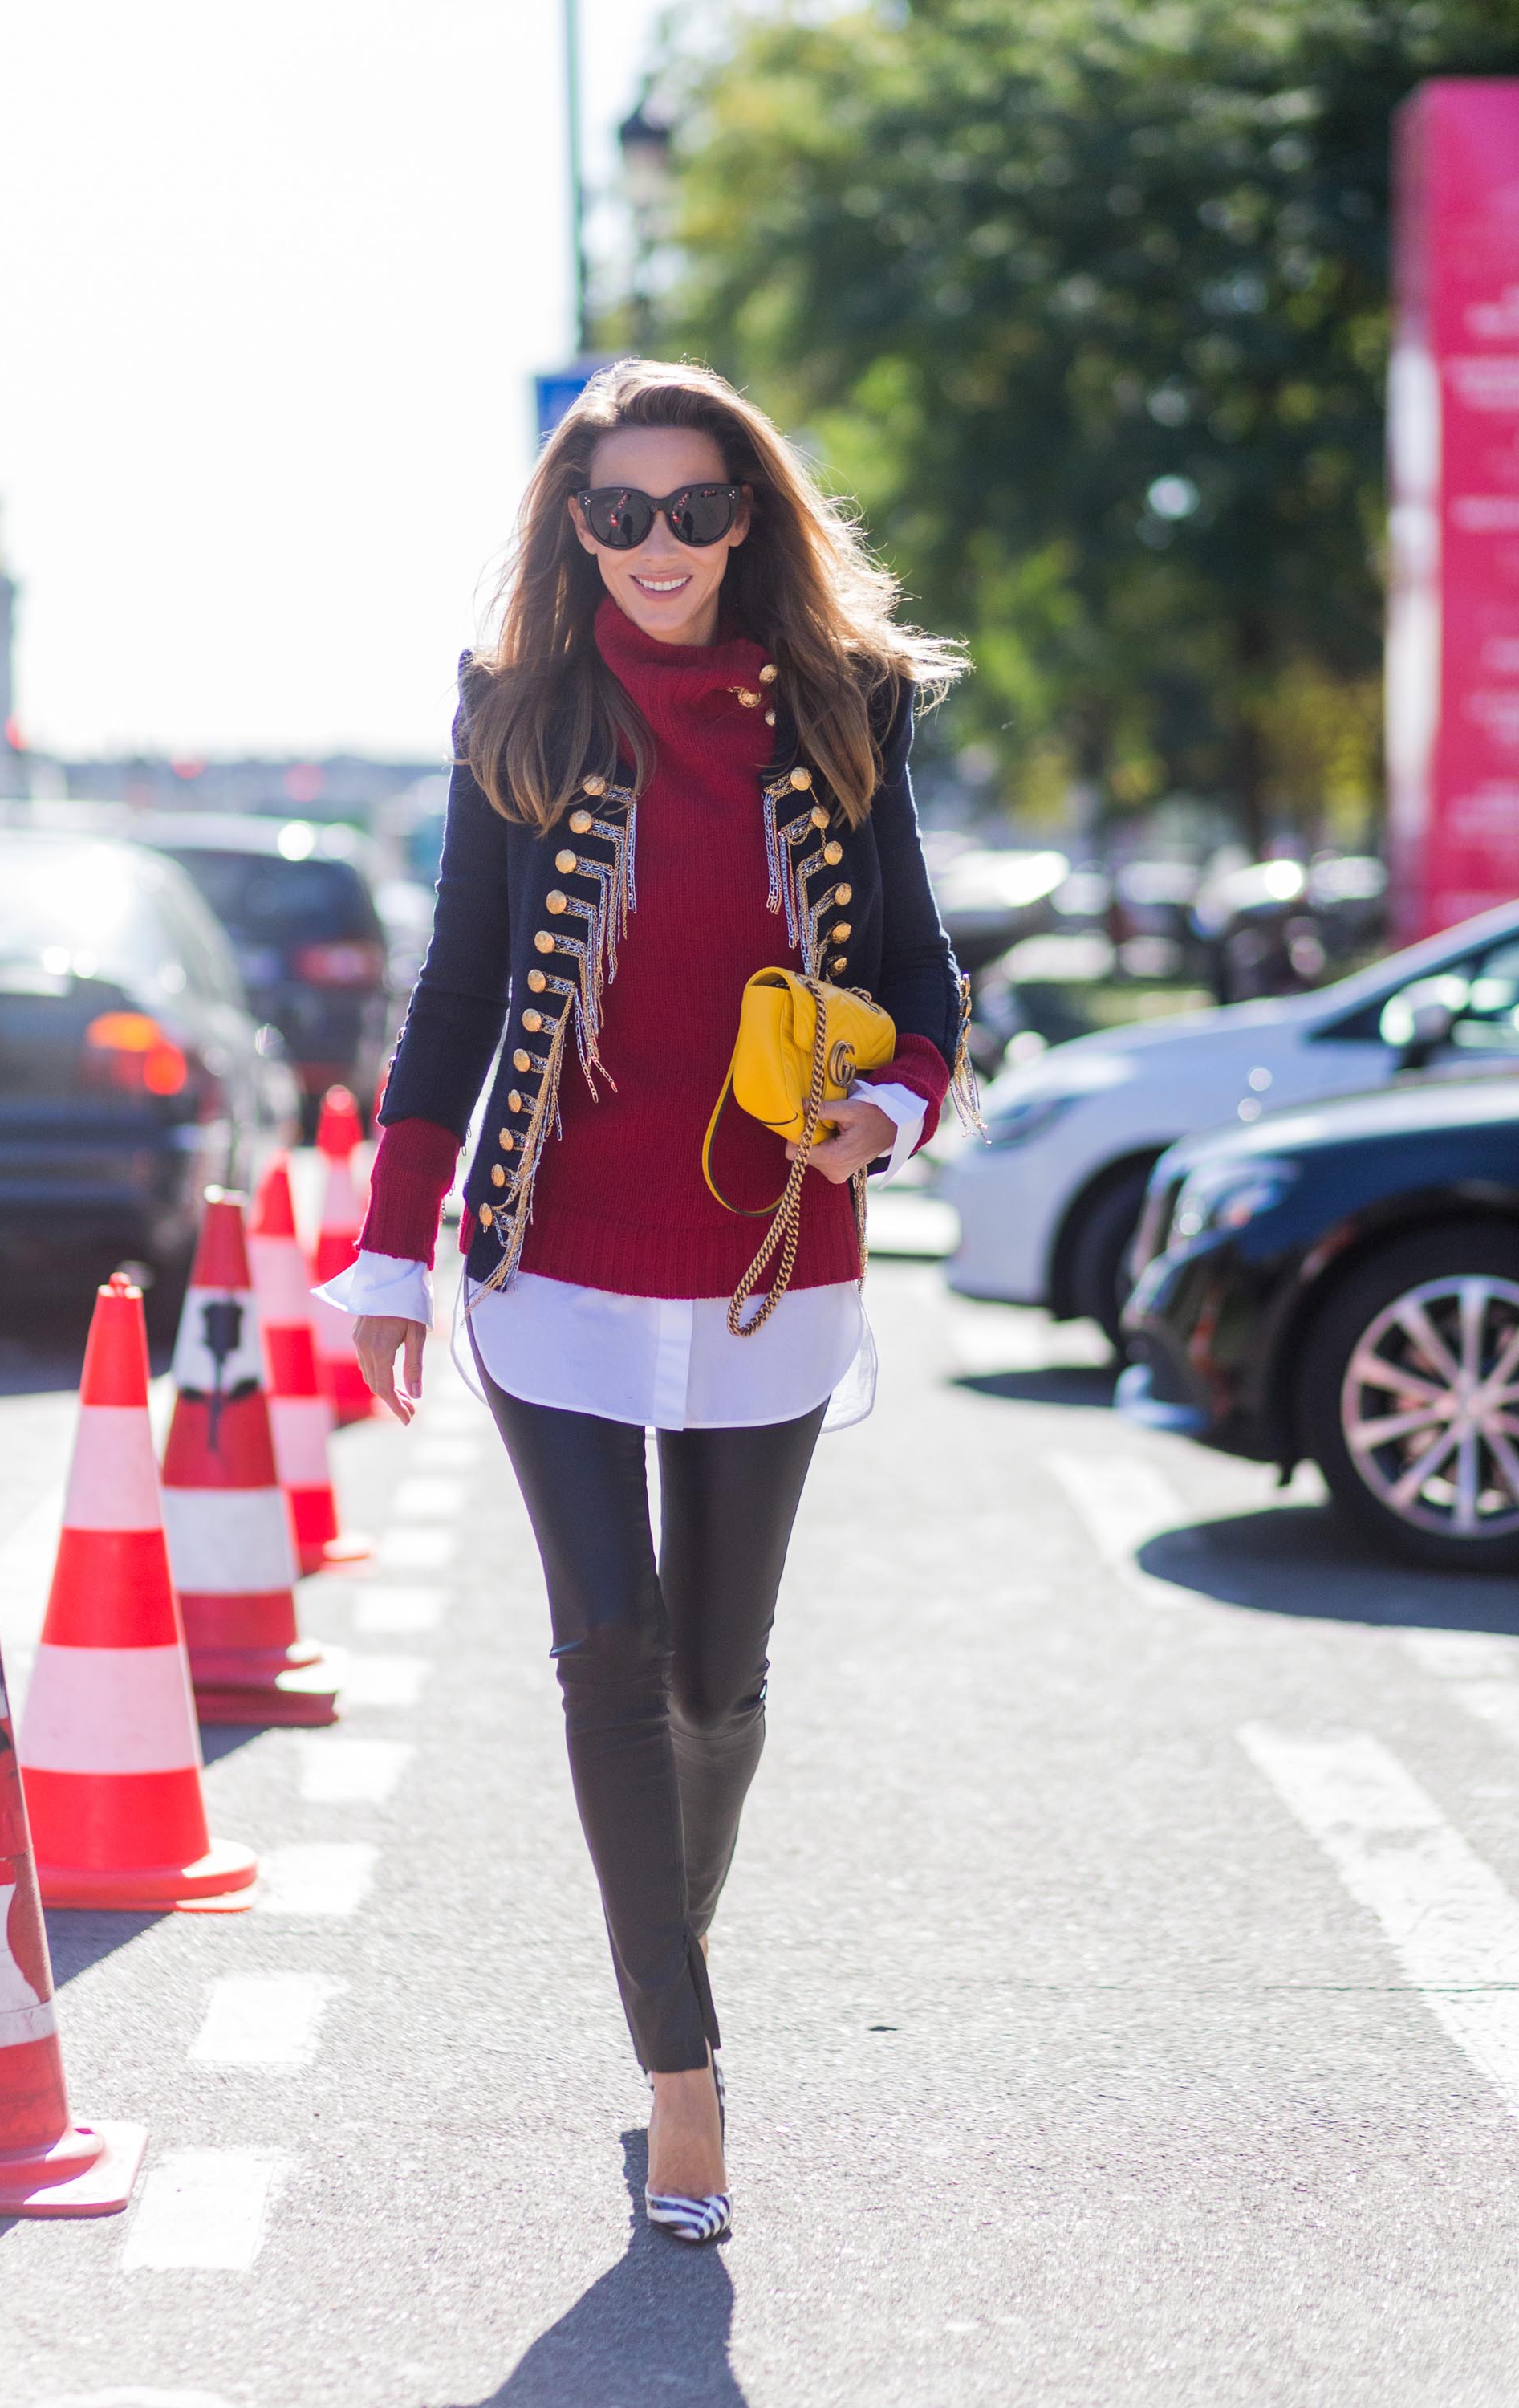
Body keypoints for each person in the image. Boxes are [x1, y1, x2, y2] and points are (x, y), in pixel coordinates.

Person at [319, 359, 973, 2245]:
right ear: (572, 525)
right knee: (606, 1656)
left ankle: (657, 1946)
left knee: (714, 1682)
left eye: (696, 510)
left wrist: (893, 1105)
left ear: (747, 518)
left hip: (773, 1253)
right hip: (553, 1255)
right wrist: (388, 1247)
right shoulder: (511, 716)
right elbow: (453, 997)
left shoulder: (846, 713)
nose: (658, 545)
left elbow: (925, 979)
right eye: (620, 513)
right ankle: (679, 2078)